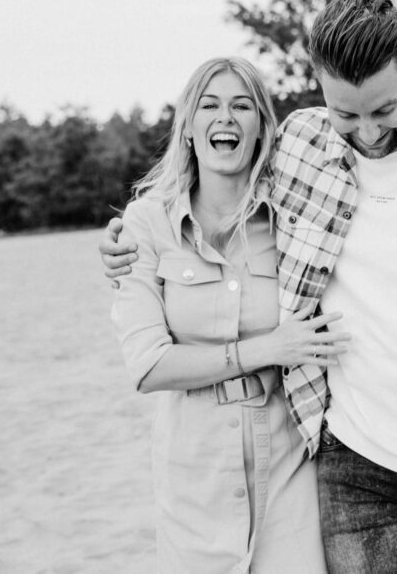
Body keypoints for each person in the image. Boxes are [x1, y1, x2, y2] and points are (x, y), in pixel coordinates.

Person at [103, 0, 397, 573]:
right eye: (346, 114)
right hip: (352, 457)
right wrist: (129, 235)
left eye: (383, 109)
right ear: (319, 86)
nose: (368, 132)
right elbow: (215, 180)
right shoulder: (300, 144)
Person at [110, 56, 346, 573]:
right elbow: (148, 366)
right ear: (188, 127)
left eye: (242, 106)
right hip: (192, 470)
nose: (226, 118)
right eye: (209, 105)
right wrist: (266, 349)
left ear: (262, 128)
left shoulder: (294, 221)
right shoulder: (145, 224)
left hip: (289, 461)